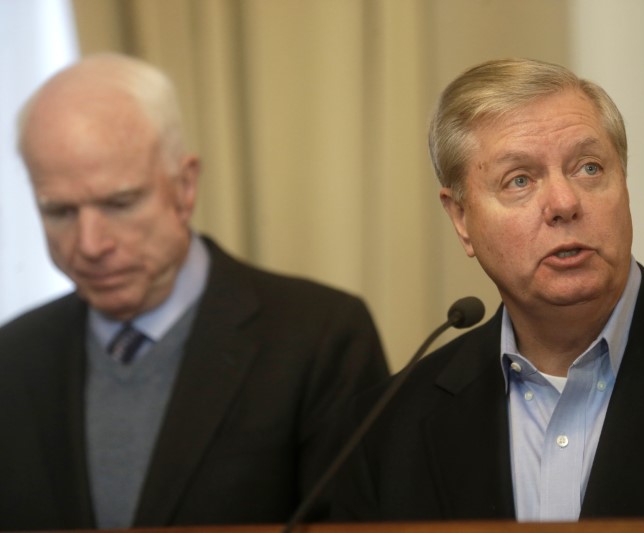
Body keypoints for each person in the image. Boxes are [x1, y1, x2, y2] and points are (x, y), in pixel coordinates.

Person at [329, 58, 644, 532]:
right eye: (519, 180)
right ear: (461, 220)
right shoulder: (383, 432)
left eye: (589, 168)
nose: (564, 203)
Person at [0, 53, 388, 530]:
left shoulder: (320, 337)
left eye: (119, 203)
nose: (89, 244)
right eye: (59, 212)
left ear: (184, 188)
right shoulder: (12, 356)